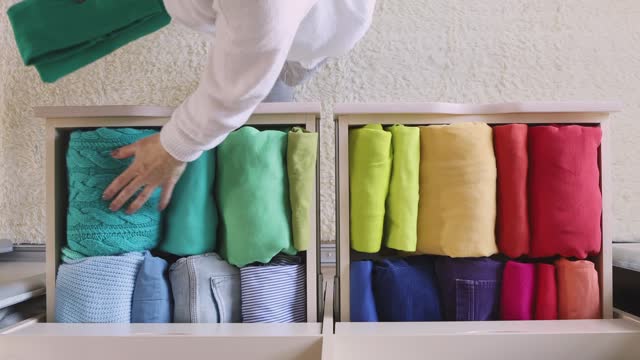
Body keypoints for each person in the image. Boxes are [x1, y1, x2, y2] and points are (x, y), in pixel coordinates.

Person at [8, 0, 376, 214]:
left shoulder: (267, 17)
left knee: (264, 98)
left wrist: (176, 146)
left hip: (313, 33)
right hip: (288, 27)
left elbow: (251, 60)